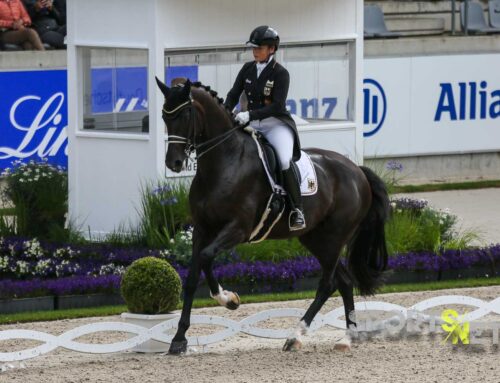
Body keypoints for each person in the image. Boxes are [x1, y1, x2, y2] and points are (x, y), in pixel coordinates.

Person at [224, 25, 306, 231]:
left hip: (276, 125)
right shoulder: (247, 69)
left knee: (284, 160)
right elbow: (234, 94)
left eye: (259, 48)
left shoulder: (281, 73)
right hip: (251, 123)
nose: (255, 51)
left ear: (271, 49)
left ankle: (297, 210)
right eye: (254, 48)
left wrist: (249, 114)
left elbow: (277, 105)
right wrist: (225, 112)